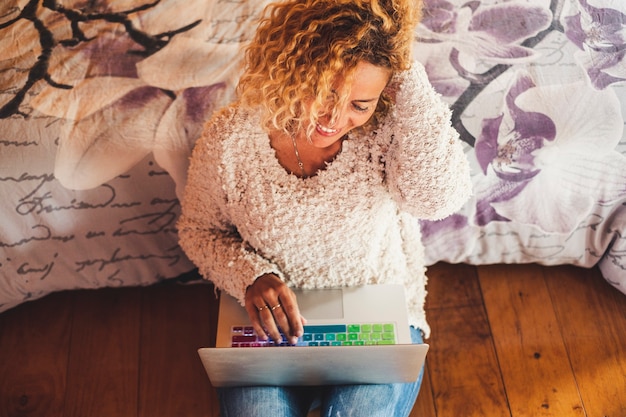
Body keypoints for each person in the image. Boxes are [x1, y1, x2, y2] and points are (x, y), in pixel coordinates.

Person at [177, 0, 472, 415]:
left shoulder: (388, 133)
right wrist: (250, 276)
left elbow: (436, 200)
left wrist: (405, 73)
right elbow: (198, 231)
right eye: (327, 91)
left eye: (360, 104)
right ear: (297, 66)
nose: (334, 117)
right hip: (270, 322)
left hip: (376, 314)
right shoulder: (230, 139)